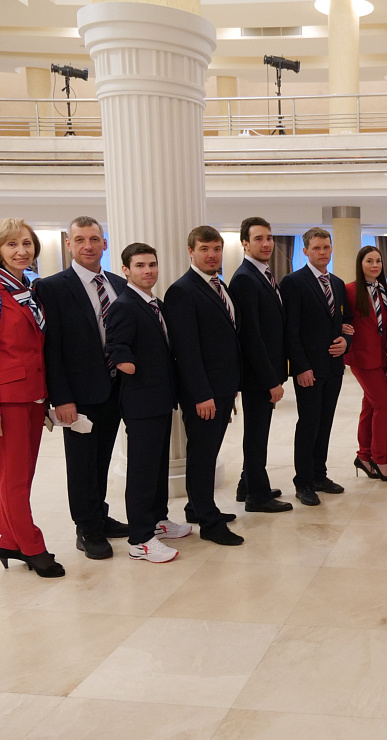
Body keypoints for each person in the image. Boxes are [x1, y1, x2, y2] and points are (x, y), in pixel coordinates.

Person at [0, 219, 63, 577]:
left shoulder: (27, 290)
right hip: (7, 400)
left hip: (33, 395)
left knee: (20, 476)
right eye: (12, 245)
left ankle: (9, 540)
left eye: (26, 243)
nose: (22, 251)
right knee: (14, 478)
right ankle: (31, 546)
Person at [38, 216, 129, 560]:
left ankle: (99, 515)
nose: (87, 246)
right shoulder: (51, 287)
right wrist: (61, 398)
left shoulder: (118, 284)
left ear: (104, 243)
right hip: (77, 396)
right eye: (80, 240)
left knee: (102, 459)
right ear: (69, 244)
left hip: (115, 390)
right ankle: (87, 529)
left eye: (94, 239)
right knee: (81, 465)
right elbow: (52, 349)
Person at [105, 243, 190, 562]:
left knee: (157, 465)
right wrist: (134, 366)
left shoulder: (155, 303)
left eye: (152, 264)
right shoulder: (125, 305)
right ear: (126, 270)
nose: (148, 271)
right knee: (142, 470)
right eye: (140, 266)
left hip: (161, 398)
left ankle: (157, 520)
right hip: (141, 399)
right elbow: (116, 346)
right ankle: (140, 539)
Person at [164, 226, 243, 546]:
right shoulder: (182, 291)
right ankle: (209, 522)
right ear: (191, 251)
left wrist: (230, 387)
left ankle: (195, 508)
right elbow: (187, 351)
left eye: (216, 248)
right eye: (204, 249)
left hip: (222, 387)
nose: (212, 255)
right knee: (202, 454)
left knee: (208, 453)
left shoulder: (220, 285)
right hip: (204, 393)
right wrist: (202, 394)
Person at [282, 227, 352, 506]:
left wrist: (346, 341)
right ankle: (303, 482)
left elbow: (346, 323)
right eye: (316, 248)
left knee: (325, 424)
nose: (322, 252)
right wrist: (300, 367)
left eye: (326, 247)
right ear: (305, 251)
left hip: (334, 367)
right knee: (308, 425)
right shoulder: (293, 282)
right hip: (309, 369)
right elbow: (291, 330)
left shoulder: (337, 283)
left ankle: (319, 475)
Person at [228, 217, 293, 513]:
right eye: (258, 239)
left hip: (266, 371)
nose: (266, 244)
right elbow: (251, 335)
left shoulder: (262, 274)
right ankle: (257, 495)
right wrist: (270, 380)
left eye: (269, 238)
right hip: (258, 376)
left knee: (258, 431)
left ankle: (248, 484)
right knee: (256, 435)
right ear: (245, 243)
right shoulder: (245, 278)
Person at [345, 245, 387, 481]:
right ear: (360, 264)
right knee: (384, 405)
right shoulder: (349, 290)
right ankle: (380, 459)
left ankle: (364, 456)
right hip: (361, 358)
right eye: (369, 261)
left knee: (370, 406)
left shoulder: (384, 290)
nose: (375, 265)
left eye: (378, 261)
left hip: (380, 358)